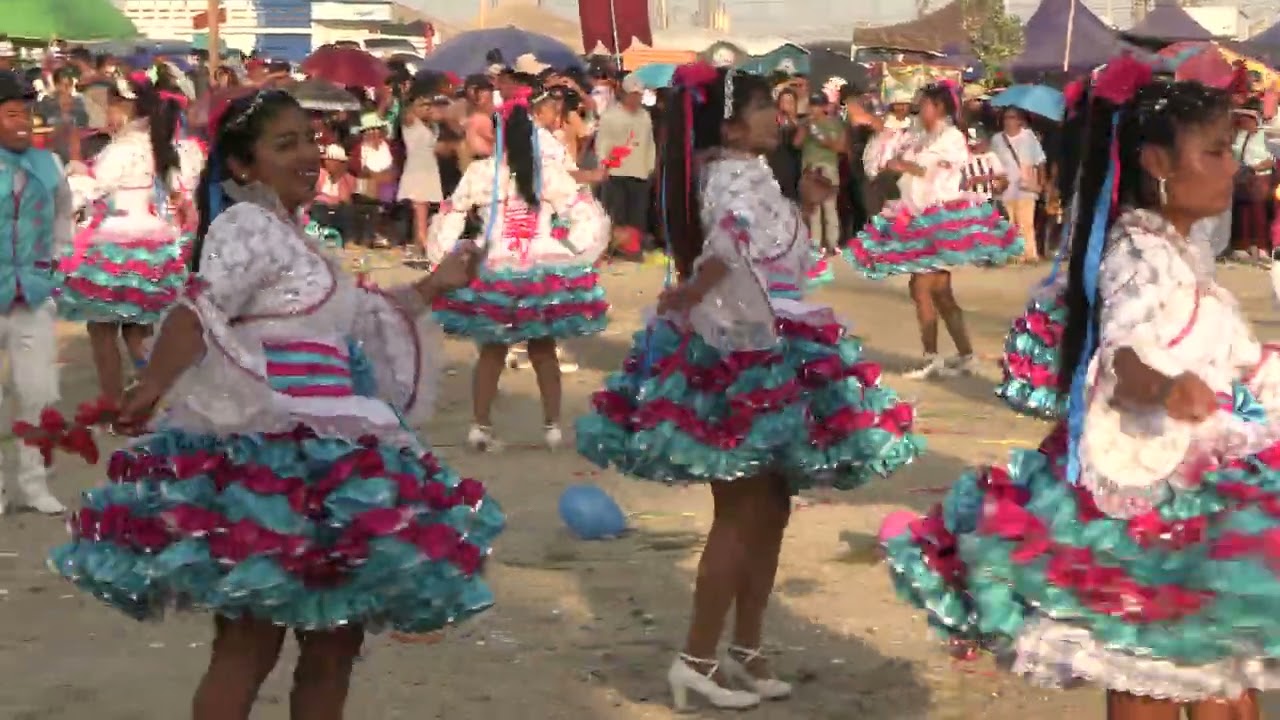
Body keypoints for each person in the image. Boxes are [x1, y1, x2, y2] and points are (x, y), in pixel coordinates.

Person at [48, 89, 505, 720]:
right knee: (250, 644)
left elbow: (360, 325)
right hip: (272, 464)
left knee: (335, 642)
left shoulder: (302, 238)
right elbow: (199, 307)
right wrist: (153, 383)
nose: (309, 155)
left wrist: (436, 284)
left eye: (310, 141)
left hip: (342, 458)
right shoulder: (244, 227)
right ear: (241, 166)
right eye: (284, 144)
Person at [881, 65, 1280, 720]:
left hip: (1202, 491)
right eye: (1214, 151)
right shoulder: (1137, 253)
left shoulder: (1178, 250)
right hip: (1149, 500)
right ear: (1157, 162)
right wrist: (1165, 386)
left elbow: (1225, 350)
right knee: (1150, 676)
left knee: (1216, 682)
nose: (1231, 168)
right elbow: (1120, 353)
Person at [575, 64, 925, 712]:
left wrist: (809, 204)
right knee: (740, 513)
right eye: (766, 108)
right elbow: (728, 242)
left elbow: (767, 245)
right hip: (742, 349)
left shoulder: (754, 173)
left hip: (777, 339)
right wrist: (698, 287)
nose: (778, 117)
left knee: (771, 507)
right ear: (732, 126)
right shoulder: (728, 176)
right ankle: (698, 658)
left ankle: (746, 648)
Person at [427, 86, 611, 451]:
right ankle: (553, 428)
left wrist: (447, 255)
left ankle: (480, 426)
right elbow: (584, 213)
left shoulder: (482, 172)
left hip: (494, 263)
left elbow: (451, 214)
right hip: (542, 264)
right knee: (543, 349)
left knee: (492, 350)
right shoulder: (549, 174)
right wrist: (572, 251)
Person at [845, 83, 1021, 379]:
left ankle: (931, 357)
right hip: (916, 213)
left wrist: (905, 165)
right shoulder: (922, 135)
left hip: (938, 219)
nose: (918, 108)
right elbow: (895, 146)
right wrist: (876, 128)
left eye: (923, 103)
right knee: (940, 291)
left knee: (921, 287)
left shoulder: (950, 137)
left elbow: (942, 171)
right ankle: (965, 355)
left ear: (938, 107)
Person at [57, 74, 195, 403]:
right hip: (149, 240)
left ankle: (113, 405)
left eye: (110, 106)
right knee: (138, 330)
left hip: (114, 241)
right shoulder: (157, 145)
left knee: (102, 332)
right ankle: (151, 401)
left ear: (125, 108)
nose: (106, 114)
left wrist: (74, 171)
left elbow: (92, 189)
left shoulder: (121, 149)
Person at [0, 70, 72, 515]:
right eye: (12, 114)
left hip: (34, 294)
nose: (23, 122)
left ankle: (34, 483)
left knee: (38, 392)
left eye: (26, 113)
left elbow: (64, 216)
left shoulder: (50, 165)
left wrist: (54, 265)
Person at [597, 74, 656, 260]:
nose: (636, 98)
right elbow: (602, 142)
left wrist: (650, 166)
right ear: (624, 94)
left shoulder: (645, 116)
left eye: (639, 95)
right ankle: (615, 247)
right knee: (617, 212)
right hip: (616, 171)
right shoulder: (610, 115)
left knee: (637, 213)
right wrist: (604, 165)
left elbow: (650, 143)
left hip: (639, 172)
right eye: (633, 94)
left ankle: (632, 247)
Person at [993, 107, 1047, 262]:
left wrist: (1042, 182)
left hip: (1026, 187)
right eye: (1006, 117)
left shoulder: (1029, 137)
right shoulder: (997, 139)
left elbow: (1040, 160)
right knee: (1008, 223)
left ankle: (1029, 254)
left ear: (1020, 120)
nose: (1008, 121)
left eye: (1012, 117)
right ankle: (1013, 254)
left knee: (1026, 223)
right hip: (1005, 188)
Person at [398, 87, 448, 255]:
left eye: (429, 104)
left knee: (424, 207)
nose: (427, 107)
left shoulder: (433, 125)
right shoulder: (410, 121)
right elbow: (404, 109)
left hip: (430, 167)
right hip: (416, 168)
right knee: (420, 207)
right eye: (423, 104)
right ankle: (423, 243)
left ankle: (419, 243)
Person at [800, 92, 845, 254]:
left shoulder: (834, 124)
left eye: (818, 105)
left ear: (825, 106)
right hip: (810, 168)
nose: (815, 109)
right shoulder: (805, 123)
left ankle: (833, 243)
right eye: (812, 105)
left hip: (828, 168)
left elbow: (840, 147)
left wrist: (820, 136)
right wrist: (805, 129)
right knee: (814, 209)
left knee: (830, 207)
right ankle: (816, 244)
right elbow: (796, 143)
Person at [1231, 100, 1272, 263]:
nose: (1243, 121)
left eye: (1246, 118)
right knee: (1241, 211)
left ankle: (1261, 247)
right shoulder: (1239, 134)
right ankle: (1241, 247)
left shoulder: (1266, 135)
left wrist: (1254, 169)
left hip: (1260, 177)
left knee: (1259, 213)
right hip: (1241, 177)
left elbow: (1272, 159)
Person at [311, 143, 355, 242]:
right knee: (319, 208)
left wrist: (339, 179)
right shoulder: (319, 174)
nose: (330, 163)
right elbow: (313, 194)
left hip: (337, 209)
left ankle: (347, 240)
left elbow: (346, 200)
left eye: (334, 162)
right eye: (328, 161)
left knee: (347, 211)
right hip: (320, 208)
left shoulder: (346, 178)